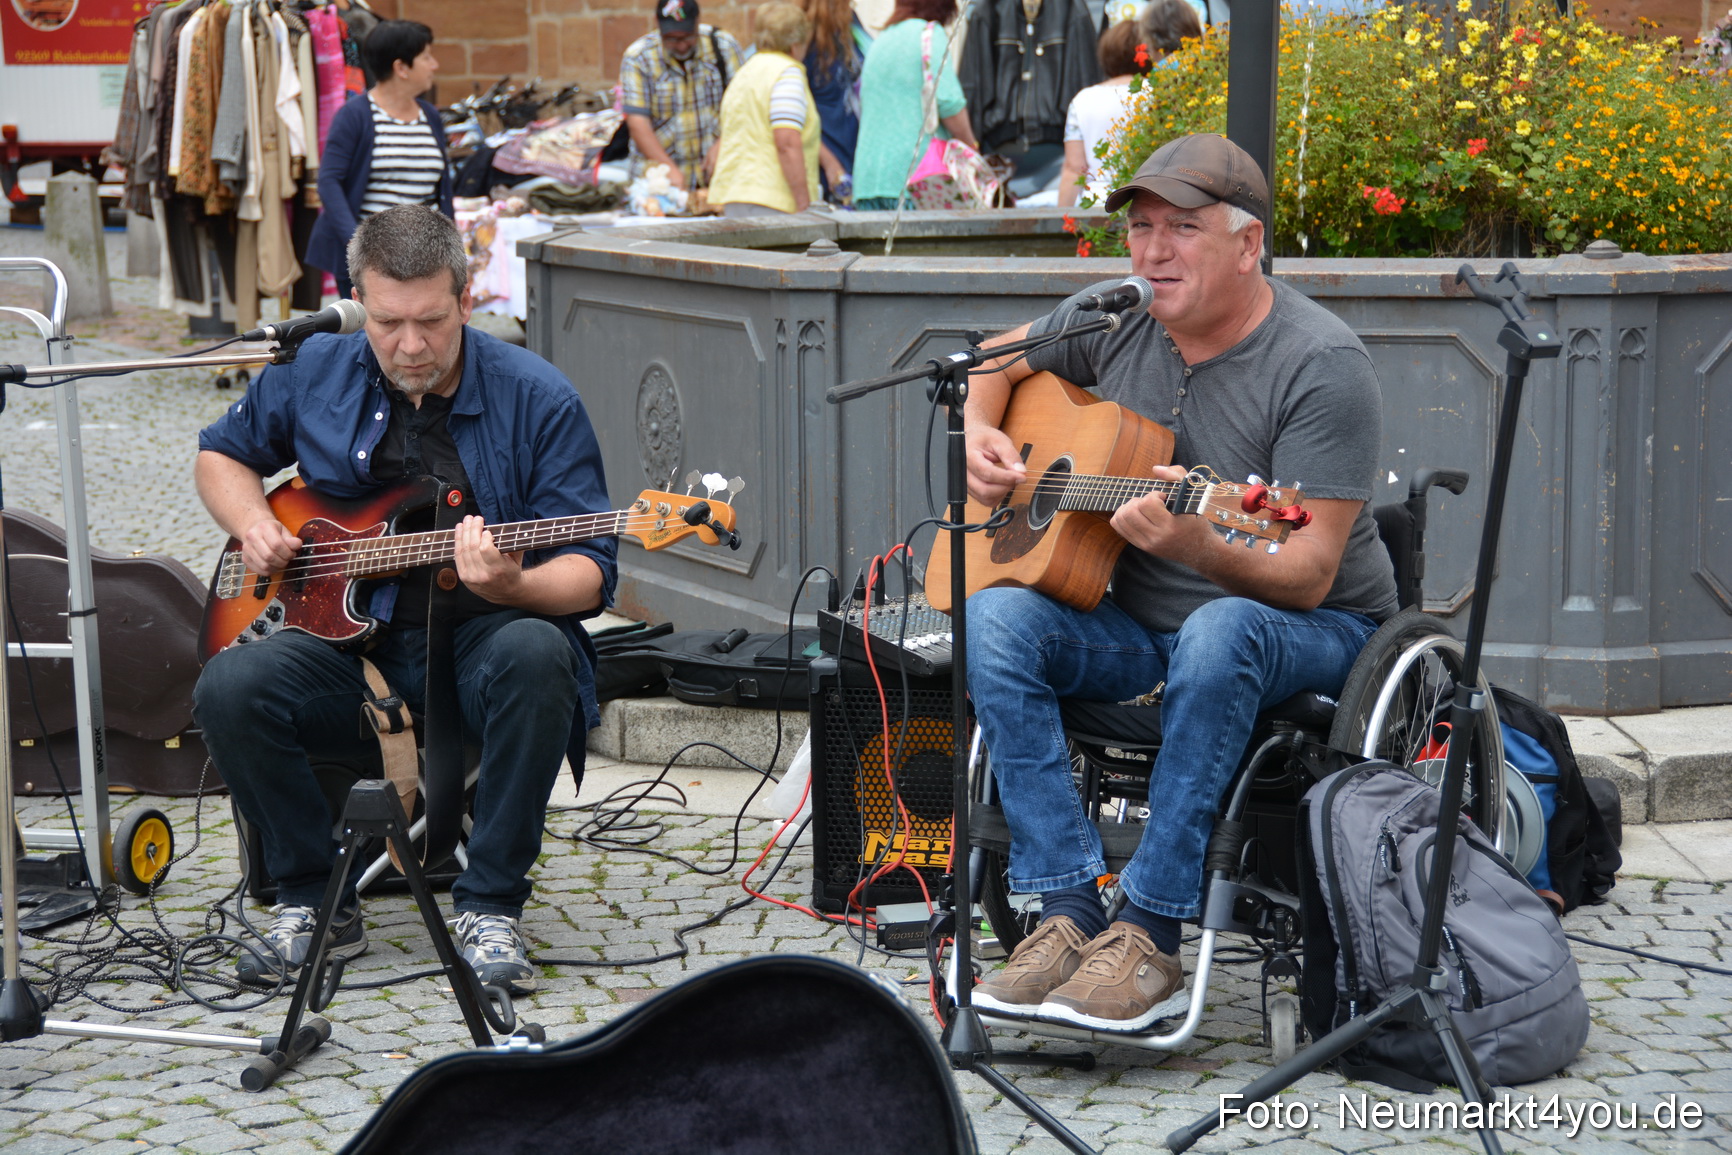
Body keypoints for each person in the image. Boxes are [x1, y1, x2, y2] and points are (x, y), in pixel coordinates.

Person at [964, 134, 1397, 1031]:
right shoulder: (1118, 314)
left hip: (1316, 634)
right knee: (996, 617)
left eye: (1183, 229)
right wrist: (982, 434)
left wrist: (1196, 542)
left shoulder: (1322, 363)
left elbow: (1311, 568)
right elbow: (991, 361)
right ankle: (1067, 905)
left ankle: (1152, 927)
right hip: (1143, 633)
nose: (1153, 250)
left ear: (1249, 246)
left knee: (1221, 630)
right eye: (1141, 226)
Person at [193, 205, 616, 995]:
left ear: (465, 299)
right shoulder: (314, 368)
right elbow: (221, 453)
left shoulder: (539, 398)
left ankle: (490, 905)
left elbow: (591, 569)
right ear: (356, 302)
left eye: (431, 321)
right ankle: (313, 898)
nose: (411, 345)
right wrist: (254, 522)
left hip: (479, 644)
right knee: (228, 684)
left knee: (541, 651)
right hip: (346, 649)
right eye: (388, 323)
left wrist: (516, 584)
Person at [306, 20, 455, 302]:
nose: (434, 65)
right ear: (401, 67)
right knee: (372, 339)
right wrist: (357, 246)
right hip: (369, 263)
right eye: (426, 57)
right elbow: (329, 182)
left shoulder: (430, 115)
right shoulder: (355, 116)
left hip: (424, 260)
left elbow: (442, 188)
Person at [850, 0, 978, 211]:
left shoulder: (881, 40)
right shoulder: (928, 33)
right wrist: (972, 150)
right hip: (915, 179)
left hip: (868, 181)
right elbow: (949, 102)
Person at [619, 0, 747, 193]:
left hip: (717, 179)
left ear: (697, 23)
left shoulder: (723, 47)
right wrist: (667, 167)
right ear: (657, 24)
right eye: (671, 38)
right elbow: (638, 123)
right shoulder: (639, 57)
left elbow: (744, 106)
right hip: (659, 185)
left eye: (687, 37)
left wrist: (724, 143)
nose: (680, 46)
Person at [708, 3, 823, 216]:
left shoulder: (745, 72)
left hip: (735, 196)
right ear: (796, 43)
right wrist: (804, 206)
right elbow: (786, 141)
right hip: (774, 200)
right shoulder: (786, 74)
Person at [1058, 21, 1144, 208]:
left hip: (1097, 204)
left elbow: (1074, 169)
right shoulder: (1158, 93)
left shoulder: (1082, 99)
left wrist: (1060, 223)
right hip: (1145, 200)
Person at [799, 0, 871, 202]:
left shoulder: (852, 28)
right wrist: (829, 162)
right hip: (827, 166)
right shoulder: (805, 41)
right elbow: (797, 115)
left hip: (856, 157)